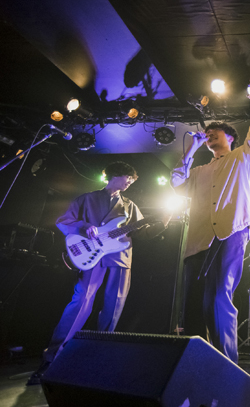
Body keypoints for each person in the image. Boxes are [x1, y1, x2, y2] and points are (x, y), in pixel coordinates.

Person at [27, 161, 169, 385]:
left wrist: (164, 222)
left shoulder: (130, 206)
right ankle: (52, 360)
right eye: (128, 177)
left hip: (120, 258)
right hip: (91, 257)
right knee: (80, 303)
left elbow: (144, 233)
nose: (130, 182)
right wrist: (85, 226)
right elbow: (63, 221)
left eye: (132, 180)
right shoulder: (87, 199)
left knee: (114, 308)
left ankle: (99, 361)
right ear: (115, 175)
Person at [170, 79, 250, 363]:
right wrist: (190, 150)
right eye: (207, 133)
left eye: (216, 132)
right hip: (197, 240)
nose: (209, 134)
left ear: (230, 138)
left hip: (230, 233)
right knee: (193, 305)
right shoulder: (199, 171)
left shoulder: (242, 157)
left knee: (218, 298)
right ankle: (197, 363)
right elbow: (177, 182)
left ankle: (227, 365)